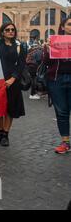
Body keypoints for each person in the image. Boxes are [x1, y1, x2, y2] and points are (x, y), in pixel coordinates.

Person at [0, 23, 26, 147]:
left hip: (12, 82)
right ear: (2, 32)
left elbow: (21, 64)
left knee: (9, 109)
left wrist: (13, 78)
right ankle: (0, 132)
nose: (10, 31)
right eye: (7, 30)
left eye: (13, 30)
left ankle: (6, 134)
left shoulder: (19, 46)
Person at [42, 17, 71, 154]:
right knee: (62, 112)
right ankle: (65, 143)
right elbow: (46, 62)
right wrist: (48, 49)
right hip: (56, 79)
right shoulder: (54, 41)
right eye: (70, 24)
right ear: (63, 27)